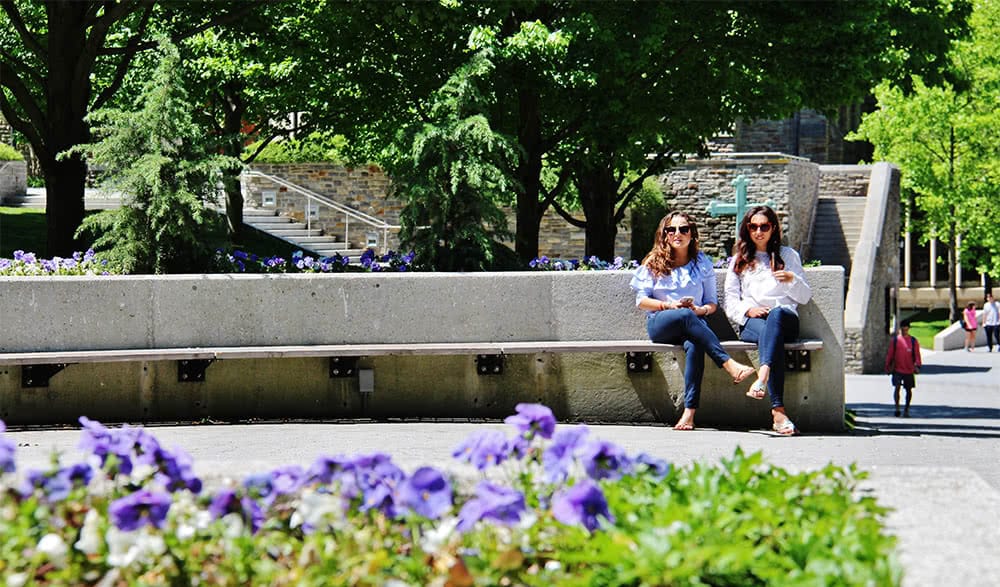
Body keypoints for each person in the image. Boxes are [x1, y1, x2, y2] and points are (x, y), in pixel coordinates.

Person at [630, 211, 756, 431]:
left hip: (693, 324)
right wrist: (670, 306)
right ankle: (729, 364)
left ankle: (689, 413)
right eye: (672, 230)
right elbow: (641, 301)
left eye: (683, 229)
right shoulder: (653, 262)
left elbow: (712, 304)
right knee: (685, 315)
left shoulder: (702, 263)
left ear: (692, 234)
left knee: (695, 343)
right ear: (664, 235)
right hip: (661, 323)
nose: (677, 233)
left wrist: (699, 310)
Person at [723, 206, 812, 436]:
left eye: (764, 226)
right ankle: (778, 411)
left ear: (773, 228)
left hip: (784, 319)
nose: (759, 231)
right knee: (769, 335)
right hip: (753, 323)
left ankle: (762, 376)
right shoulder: (739, 260)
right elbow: (731, 302)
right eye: (753, 226)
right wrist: (748, 310)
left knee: (777, 314)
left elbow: (803, 297)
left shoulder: (788, 256)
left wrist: (792, 279)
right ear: (747, 229)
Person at [884, 320, 922, 417]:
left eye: (906, 329)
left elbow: (917, 354)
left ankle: (906, 409)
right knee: (897, 388)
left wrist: (917, 365)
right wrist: (887, 366)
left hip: (909, 369)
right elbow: (890, 354)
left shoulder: (913, 341)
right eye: (902, 329)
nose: (904, 331)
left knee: (908, 390)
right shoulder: (895, 341)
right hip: (897, 369)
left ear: (908, 329)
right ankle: (897, 408)